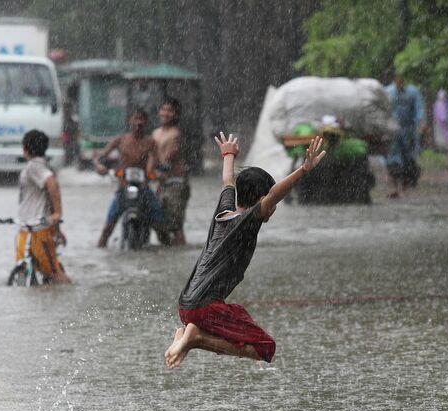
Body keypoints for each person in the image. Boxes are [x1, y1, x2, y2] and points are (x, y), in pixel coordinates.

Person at [164, 132, 326, 369]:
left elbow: (228, 181)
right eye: (271, 205)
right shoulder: (247, 220)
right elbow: (273, 195)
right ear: (261, 200)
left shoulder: (224, 210)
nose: (273, 209)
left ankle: (189, 336)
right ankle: (194, 338)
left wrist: (228, 154)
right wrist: (303, 169)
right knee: (265, 347)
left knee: (238, 316)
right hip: (205, 307)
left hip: (186, 307)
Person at [93, 108, 164, 247]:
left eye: (141, 119)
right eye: (135, 119)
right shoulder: (120, 140)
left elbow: (156, 162)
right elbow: (100, 157)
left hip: (143, 188)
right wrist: (99, 166)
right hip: (123, 188)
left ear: (146, 122)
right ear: (128, 121)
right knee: (107, 229)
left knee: (162, 228)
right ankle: (99, 250)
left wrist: (156, 173)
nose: (138, 123)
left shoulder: (150, 142)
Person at [16, 129, 70, 284]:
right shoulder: (41, 166)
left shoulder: (35, 166)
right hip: (28, 229)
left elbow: (52, 183)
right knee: (27, 273)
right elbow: (47, 198)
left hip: (38, 229)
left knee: (55, 275)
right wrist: (58, 228)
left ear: (25, 148)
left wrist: (58, 214)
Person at [152, 97, 189, 246]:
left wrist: (155, 168)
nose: (166, 113)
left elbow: (169, 156)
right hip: (161, 182)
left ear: (176, 114)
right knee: (158, 222)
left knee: (175, 225)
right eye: (163, 109)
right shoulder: (155, 133)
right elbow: (151, 156)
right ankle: (169, 252)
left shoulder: (176, 134)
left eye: (170, 111)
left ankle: (180, 250)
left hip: (176, 183)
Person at [384, 75, 425, 197]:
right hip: (391, 131)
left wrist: (421, 123)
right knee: (392, 160)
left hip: (408, 131)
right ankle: (393, 187)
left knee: (407, 159)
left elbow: (419, 109)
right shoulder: (387, 92)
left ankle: (402, 187)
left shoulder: (413, 92)